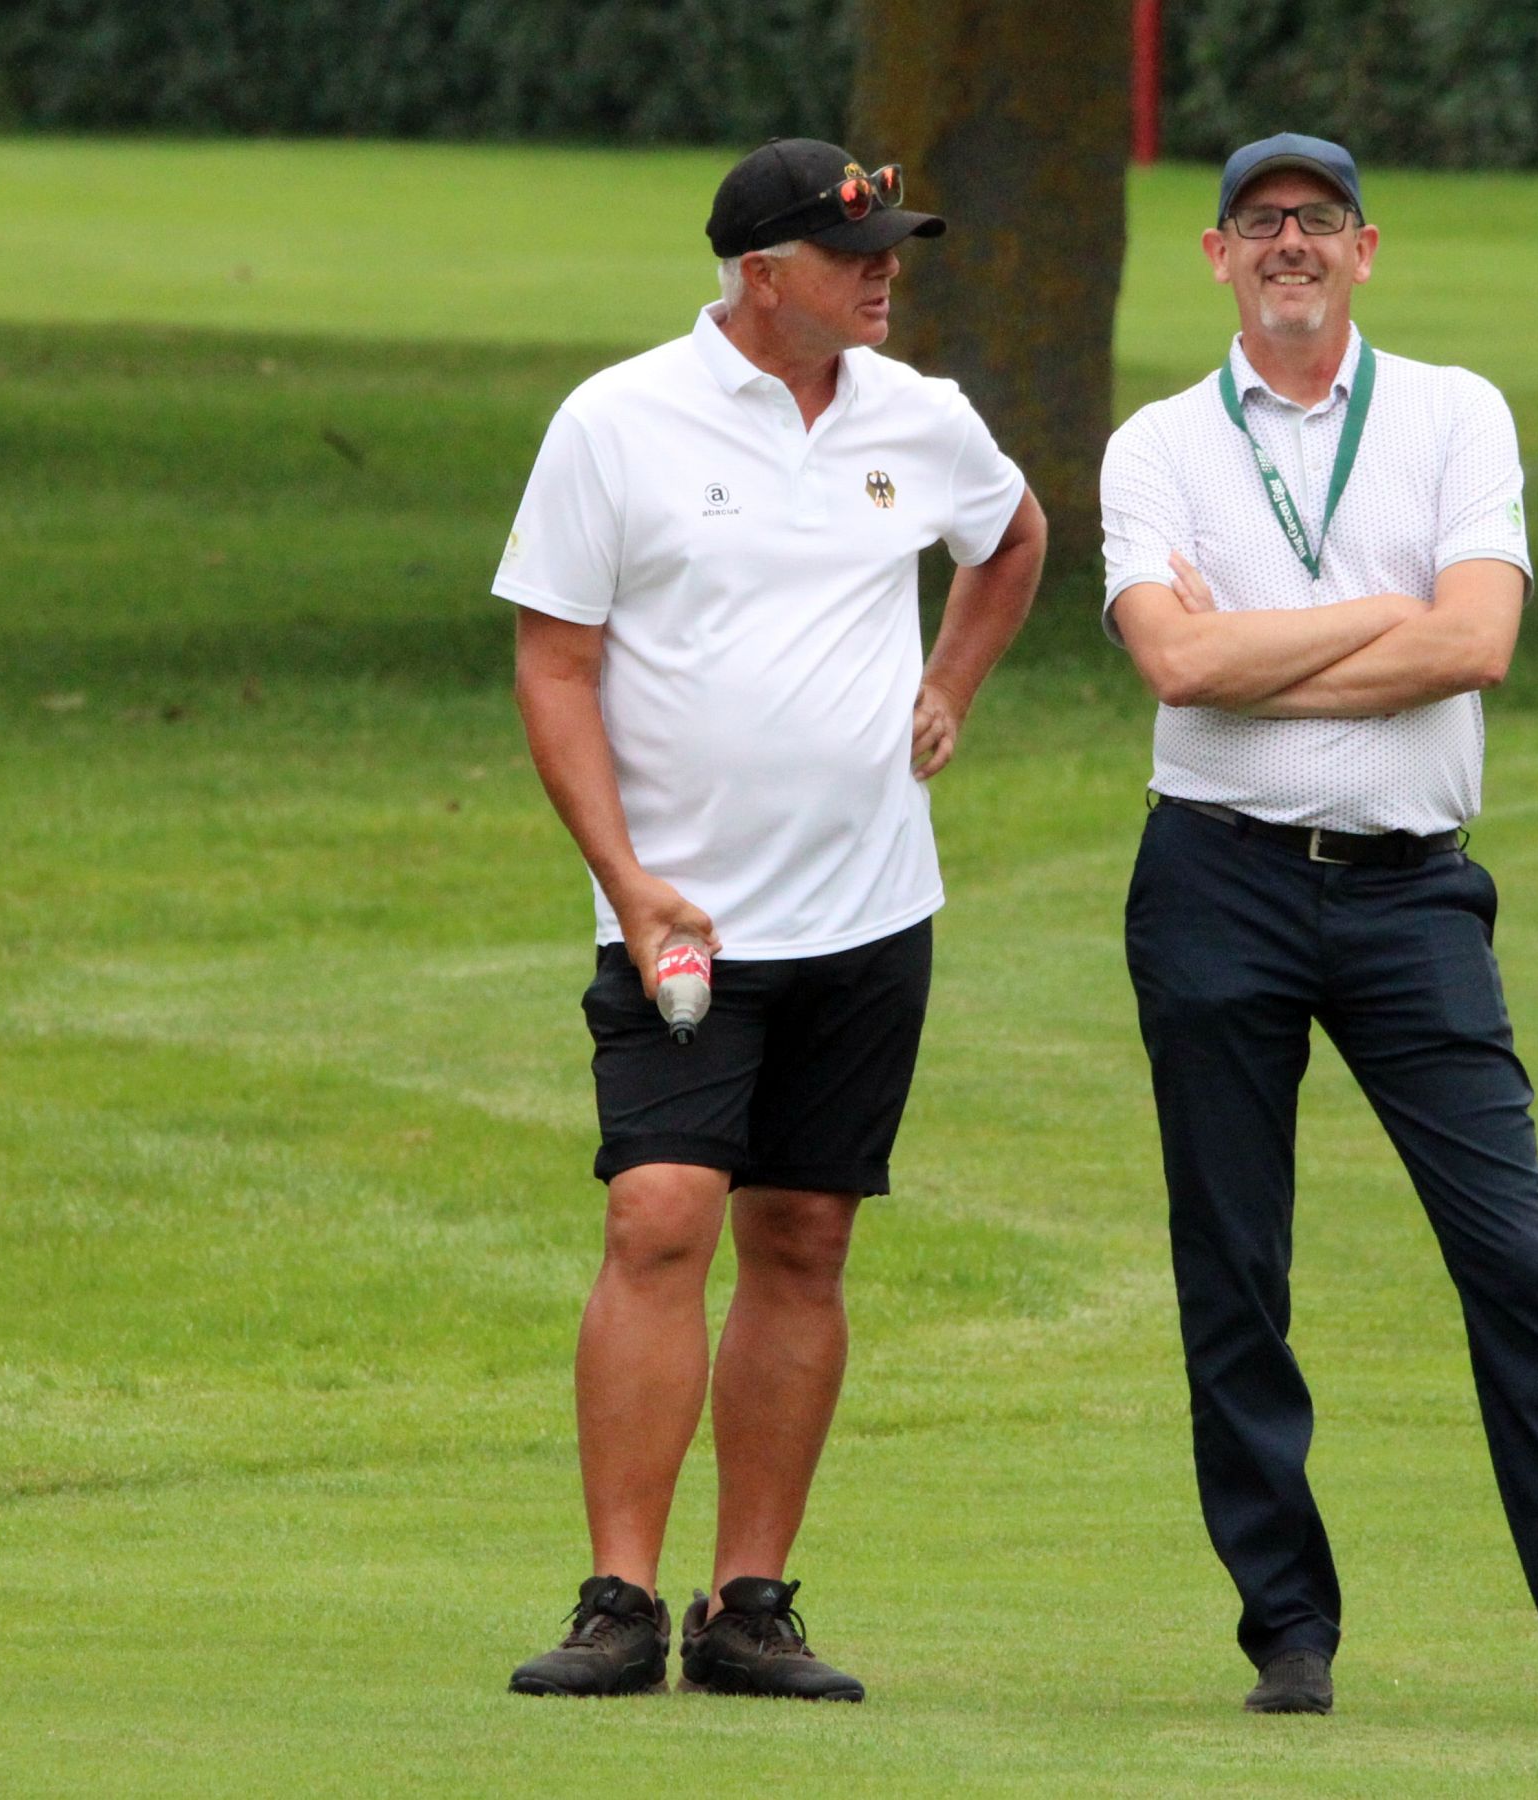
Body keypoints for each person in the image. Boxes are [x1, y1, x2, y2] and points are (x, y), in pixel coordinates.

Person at [1098, 132, 1538, 1733]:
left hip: (1410, 889)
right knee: (1236, 1270)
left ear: (1366, 249)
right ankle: (1287, 1631)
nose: (1288, 244)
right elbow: (1174, 667)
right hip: (1216, 880)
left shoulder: (1454, 411)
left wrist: (1275, 642)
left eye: (1317, 221)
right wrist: (1388, 616)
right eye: (1259, 224)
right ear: (1217, 257)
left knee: (1518, 1261)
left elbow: (1481, 638)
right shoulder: (1156, 445)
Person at [491, 138, 1046, 1700]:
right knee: (657, 1215)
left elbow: (1011, 541)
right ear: (757, 274)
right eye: (849, 250)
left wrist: (948, 683)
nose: (883, 273)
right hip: (682, 923)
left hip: (871, 911)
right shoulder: (619, 422)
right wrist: (624, 878)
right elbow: (553, 663)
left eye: (891, 247)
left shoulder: (918, 417)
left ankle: (748, 1606)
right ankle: (618, 1598)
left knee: (802, 1235)